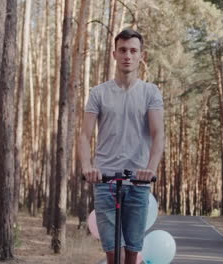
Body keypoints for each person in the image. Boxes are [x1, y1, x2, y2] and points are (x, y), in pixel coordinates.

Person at [78, 29, 165, 264]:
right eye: (123, 50)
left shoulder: (150, 92)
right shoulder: (98, 93)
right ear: (114, 54)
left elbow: (158, 134)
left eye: (133, 51)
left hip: (138, 180)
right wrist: (88, 167)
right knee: (112, 252)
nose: (128, 55)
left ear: (141, 56)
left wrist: (151, 168)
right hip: (105, 180)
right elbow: (85, 135)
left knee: (132, 252)